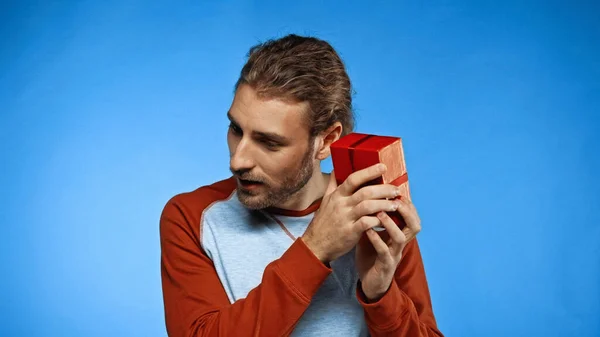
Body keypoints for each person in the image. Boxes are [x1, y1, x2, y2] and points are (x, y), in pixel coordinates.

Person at [159, 34, 444, 337]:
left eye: (268, 142)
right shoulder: (191, 216)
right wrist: (314, 248)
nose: (237, 161)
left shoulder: (374, 213)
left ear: (327, 141)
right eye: (235, 129)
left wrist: (381, 296)